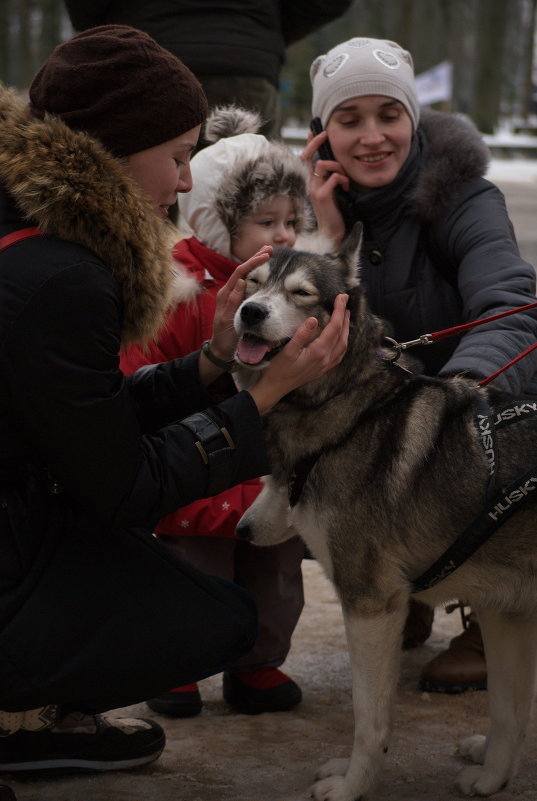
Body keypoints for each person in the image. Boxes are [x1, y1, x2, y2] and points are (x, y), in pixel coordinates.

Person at [0, 24, 350, 777]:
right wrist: (263, 401)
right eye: (179, 156)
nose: (186, 183)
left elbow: (83, 413)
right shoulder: (63, 278)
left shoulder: (29, 232)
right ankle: (15, 715)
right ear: (115, 149)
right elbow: (124, 486)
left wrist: (217, 360)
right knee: (216, 619)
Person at [301, 36, 537, 693]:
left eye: (388, 115)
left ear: (413, 119)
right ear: (324, 134)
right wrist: (328, 243)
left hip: (478, 408)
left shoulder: (465, 198)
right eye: (349, 120)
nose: (372, 136)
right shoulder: (323, 213)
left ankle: (490, 617)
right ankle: (397, 577)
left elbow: (508, 307)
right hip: (393, 427)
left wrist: (460, 397)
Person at [120, 104, 326, 718]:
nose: (285, 235)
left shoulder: (295, 292)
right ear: (215, 224)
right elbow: (143, 370)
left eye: (292, 219)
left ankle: (258, 664)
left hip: (266, 471)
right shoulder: (179, 288)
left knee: (276, 577)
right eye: (266, 221)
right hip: (196, 472)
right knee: (189, 573)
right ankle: (176, 663)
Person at [63, 0, 354, 138]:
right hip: (245, 67)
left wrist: (120, 34)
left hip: (145, 62)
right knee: (250, 200)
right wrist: (265, 32)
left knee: (148, 207)